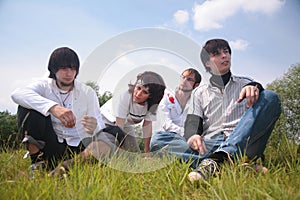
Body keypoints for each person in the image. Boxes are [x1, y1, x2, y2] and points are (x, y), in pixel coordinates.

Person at [153, 39, 281, 182]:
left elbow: (263, 108)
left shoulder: (246, 84)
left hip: (244, 143)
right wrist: (193, 136)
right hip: (210, 145)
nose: (224, 56)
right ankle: (233, 165)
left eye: (226, 52)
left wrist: (256, 88)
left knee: (270, 96)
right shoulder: (199, 93)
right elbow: (193, 123)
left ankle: (219, 160)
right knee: (158, 140)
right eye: (217, 54)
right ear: (207, 63)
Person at [11, 47, 107, 175]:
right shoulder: (44, 86)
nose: (69, 73)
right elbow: (17, 94)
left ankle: (65, 168)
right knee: (27, 107)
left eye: (73, 68)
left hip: (78, 148)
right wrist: (53, 108)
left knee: (112, 135)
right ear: (53, 69)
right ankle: (37, 164)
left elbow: (100, 125)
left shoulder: (87, 93)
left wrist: (93, 127)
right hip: (51, 145)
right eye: (64, 68)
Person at [100, 71, 166, 154]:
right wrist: (118, 152)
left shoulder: (152, 105)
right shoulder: (124, 95)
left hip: (125, 125)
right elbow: (119, 127)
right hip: (106, 121)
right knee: (113, 151)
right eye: (138, 88)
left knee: (135, 154)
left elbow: (147, 127)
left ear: (151, 96)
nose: (138, 94)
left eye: (145, 92)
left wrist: (147, 152)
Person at [150, 68, 201, 154]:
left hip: (187, 139)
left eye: (189, 79)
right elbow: (167, 125)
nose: (184, 81)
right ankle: (199, 157)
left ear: (196, 85)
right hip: (167, 136)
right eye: (183, 77)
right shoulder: (166, 97)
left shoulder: (196, 103)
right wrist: (186, 134)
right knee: (156, 140)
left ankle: (187, 155)